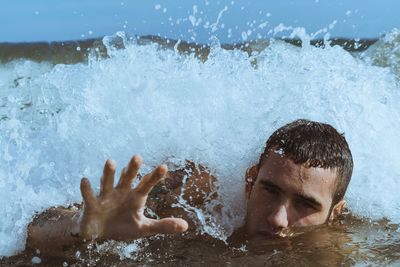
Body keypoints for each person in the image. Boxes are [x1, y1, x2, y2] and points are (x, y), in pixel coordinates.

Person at [26, 119, 353, 256]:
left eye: (306, 205)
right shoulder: (195, 208)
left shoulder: (340, 252)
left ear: (335, 212)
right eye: (269, 190)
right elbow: (32, 228)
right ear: (250, 181)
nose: (279, 219)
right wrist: (84, 228)